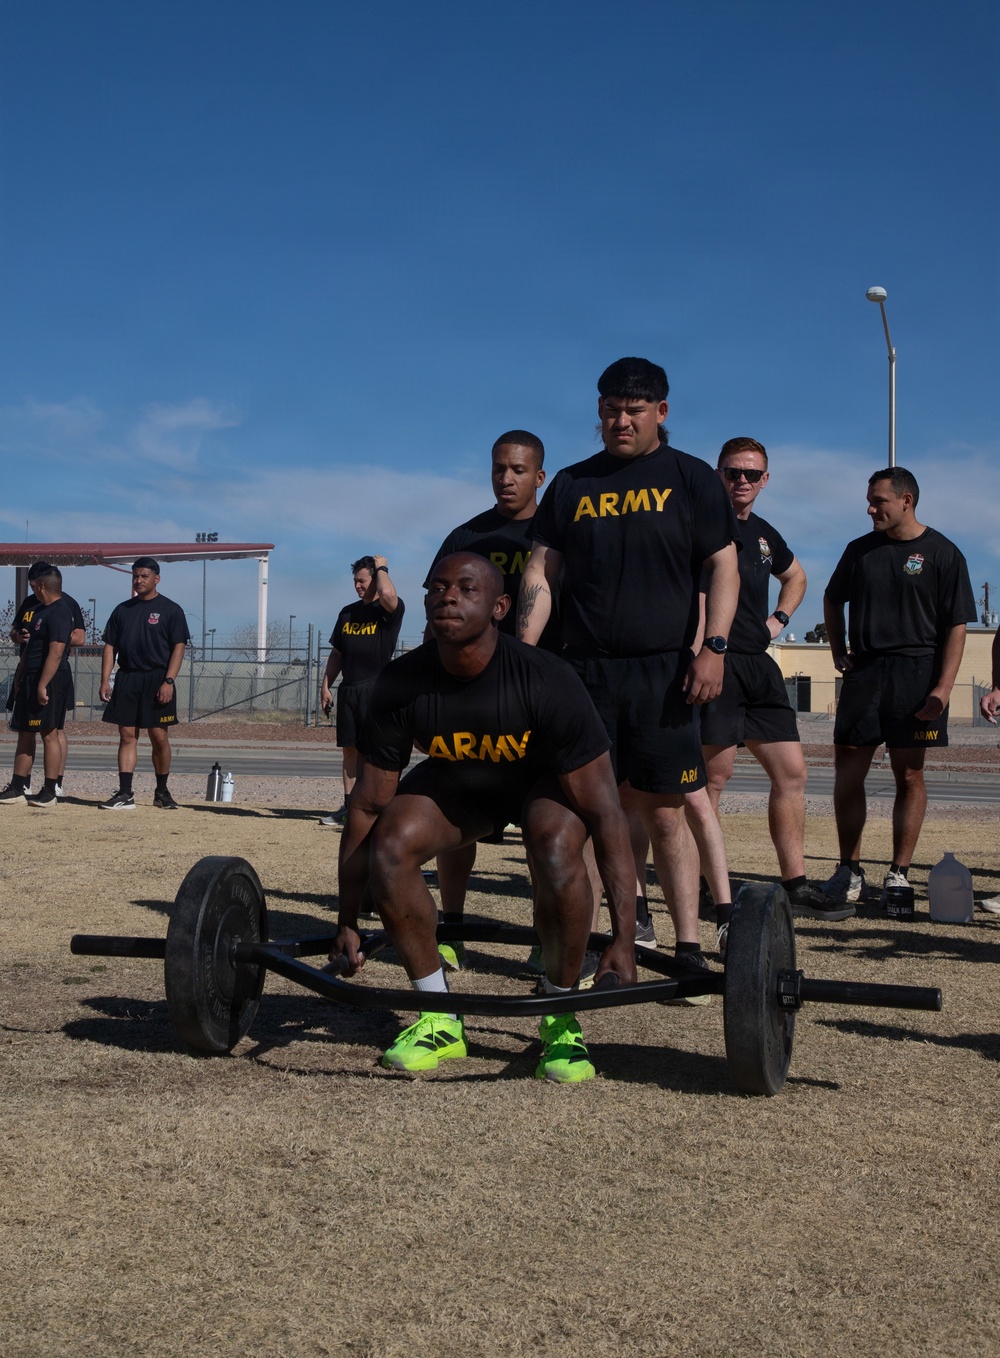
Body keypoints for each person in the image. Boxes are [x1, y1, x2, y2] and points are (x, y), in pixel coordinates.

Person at [331, 553, 637, 1084]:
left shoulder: (546, 680)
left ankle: (560, 1018)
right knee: (391, 842)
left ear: (498, 607)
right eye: (438, 587)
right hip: (461, 785)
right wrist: (347, 919)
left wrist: (625, 939)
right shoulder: (401, 682)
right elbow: (366, 804)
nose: (448, 596)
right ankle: (438, 1018)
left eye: (466, 589)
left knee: (558, 848)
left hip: (539, 786)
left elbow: (607, 815)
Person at [518, 356, 740, 984]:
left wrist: (713, 649)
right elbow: (541, 571)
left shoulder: (691, 478)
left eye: (634, 410)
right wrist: (527, 658)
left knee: (666, 812)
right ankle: (591, 943)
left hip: (662, 673)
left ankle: (688, 946)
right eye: (611, 409)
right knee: (588, 813)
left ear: (661, 413)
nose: (620, 420)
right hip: (581, 674)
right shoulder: (571, 484)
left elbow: (723, 566)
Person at [699, 438, 845, 937]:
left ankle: (795, 884)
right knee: (712, 781)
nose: (742, 481)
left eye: (752, 474)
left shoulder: (764, 534)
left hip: (757, 667)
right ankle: (707, 886)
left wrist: (777, 620)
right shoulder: (700, 523)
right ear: (718, 474)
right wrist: (701, 653)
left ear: (765, 480)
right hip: (715, 665)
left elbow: (797, 576)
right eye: (733, 472)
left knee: (793, 774)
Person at [424, 430, 554, 968]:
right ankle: (450, 928)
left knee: (544, 820)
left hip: (541, 694)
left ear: (539, 476)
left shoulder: (557, 532)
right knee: (456, 811)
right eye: (499, 468)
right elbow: (439, 598)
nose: (507, 478)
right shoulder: (467, 534)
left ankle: (548, 936)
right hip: (471, 697)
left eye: (519, 470)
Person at [822, 467, 976, 906]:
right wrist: (839, 650)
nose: (871, 509)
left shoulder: (944, 553)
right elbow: (832, 599)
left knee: (909, 774)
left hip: (918, 676)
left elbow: (956, 626)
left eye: (879, 501)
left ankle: (899, 873)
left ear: (906, 500)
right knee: (848, 772)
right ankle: (848, 870)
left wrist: (943, 688)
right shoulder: (859, 551)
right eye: (869, 501)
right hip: (865, 674)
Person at [318, 555, 403, 828]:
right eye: (355, 581)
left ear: (375, 580)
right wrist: (325, 685)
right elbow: (337, 653)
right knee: (350, 752)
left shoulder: (388, 609)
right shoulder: (347, 612)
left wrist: (382, 568)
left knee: (374, 752)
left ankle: (377, 808)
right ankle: (349, 807)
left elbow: (388, 592)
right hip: (349, 690)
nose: (357, 585)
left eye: (363, 580)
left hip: (376, 690)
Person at [99, 557, 190, 810]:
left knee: (159, 737)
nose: (138, 580)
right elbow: (110, 646)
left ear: (156, 579)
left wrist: (169, 681)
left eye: (144, 576)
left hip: (157, 679)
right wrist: (106, 679)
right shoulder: (122, 610)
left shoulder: (172, 610)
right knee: (127, 735)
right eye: (135, 576)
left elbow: (178, 647)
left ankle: (161, 792)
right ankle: (125, 794)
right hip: (127, 678)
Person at [1, 562, 85, 804]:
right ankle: (18, 786)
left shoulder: (60, 609)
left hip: (50, 678)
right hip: (29, 675)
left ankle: (50, 789)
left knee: (50, 732)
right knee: (25, 731)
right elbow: (28, 646)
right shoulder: (35, 608)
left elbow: (57, 652)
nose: (32, 590)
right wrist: (20, 677)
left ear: (41, 584)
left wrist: (42, 684)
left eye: (33, 585)